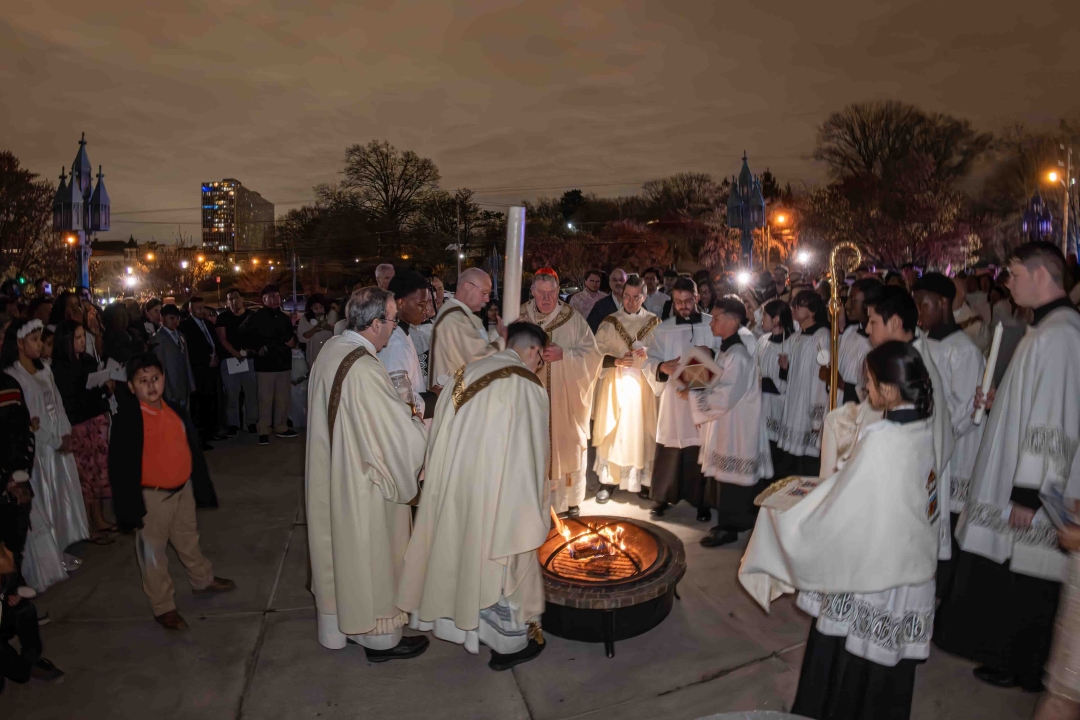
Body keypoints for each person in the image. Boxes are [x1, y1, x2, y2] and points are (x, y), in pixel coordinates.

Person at [741, 341, 938, 720]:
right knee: (883, 665)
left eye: (868, 383)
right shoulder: (922, 429)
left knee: (847, 659)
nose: (864, 390)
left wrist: (791, 516)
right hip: (909, 565)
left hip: (873, 569)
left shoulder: (883, 438)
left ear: (889, 389)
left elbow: (841, 506)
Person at [935, 241, 1080, 693]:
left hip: (1032, 485)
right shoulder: (1046, 329)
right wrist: (1002, 402)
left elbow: (1054, 422)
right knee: (1013, 574)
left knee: (1028, 579)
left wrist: (1029, 493)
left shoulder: (1060, 335)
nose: (1008, 284)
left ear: (1041, 274)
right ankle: (1011, 658)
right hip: (1020, 474)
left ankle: (1026, 668)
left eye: (1014, 275)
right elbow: (1034, 403)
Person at [399, 322, 550, 670]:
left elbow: (438, 433)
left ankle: (466, 629)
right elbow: (532, 456)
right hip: (498, 497)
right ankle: (507, 646)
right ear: (534, 351)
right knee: (498, 566)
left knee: (460, 555)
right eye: (540, 358)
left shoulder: (465, 372)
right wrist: (535, 507)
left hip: (454, 487)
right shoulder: (527, 385)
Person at [305, 287, 429, 660]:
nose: (394, 327)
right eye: (392, 320)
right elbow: (394, 439)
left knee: (337, 551)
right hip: (363, 486)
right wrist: (417, 423)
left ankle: (339, 623)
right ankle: (377, 637)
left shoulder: (333, 349)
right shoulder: (362, 367)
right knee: (367, 554)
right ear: (375, 323)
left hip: (333, 474)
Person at [108, 352, 232, 630]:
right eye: (143, 381)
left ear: (164, 379)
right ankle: (163, 606)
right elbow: (119, 468)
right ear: (130, 386)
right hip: (151, 498)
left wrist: (196, 483)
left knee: (188, 538)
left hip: (182, 490)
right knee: (153, 553)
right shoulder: (128, 420)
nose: (151, 386)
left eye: (155, 378)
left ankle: (202, 578)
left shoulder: (175, 410)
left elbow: (191, 449)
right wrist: (128, 508)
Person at [911, 272, 986, 599]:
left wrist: (926, 423)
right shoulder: (922, 342)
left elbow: (968, 410)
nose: (918, 312)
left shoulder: (964, 350)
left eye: (922, 305)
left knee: (948, 523)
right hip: (926, 448)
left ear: (942, 303)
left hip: (952, 454)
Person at [2, 318, 89, 589]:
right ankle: (45, 557)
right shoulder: (14, 376)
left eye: (41, 339)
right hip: (40, 449)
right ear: (18, 342)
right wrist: (51, 439)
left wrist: (65, 433)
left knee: (61, 498)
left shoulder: (44, 369)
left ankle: (61, 548)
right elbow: (27, 419)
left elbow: (57, 403)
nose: (40, 346)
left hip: (58, 442)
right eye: (34, 340)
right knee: (45, 498)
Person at [516, 272, 601, 518]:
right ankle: (532, 501)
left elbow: (592, 355)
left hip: (564, 401)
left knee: (564, 443)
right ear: (532, 292)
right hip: (529, 400)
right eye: (541, 293)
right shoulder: (520, 317)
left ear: (558, 291)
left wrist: (566, 356)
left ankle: (568, 501)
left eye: (551, 293)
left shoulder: (572, 319)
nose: (546, 298)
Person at [692, 296, 773, 547]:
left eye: (716, 319)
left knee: (734, 478)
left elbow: (725, 396)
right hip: (728, 424)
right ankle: (727, 523)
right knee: (727, 477)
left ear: (733, 320)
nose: (711, 323)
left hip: (737, 427)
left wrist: (695, 395)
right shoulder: (729, 349)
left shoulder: (738, 355)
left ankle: (731, 526)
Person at [647, 277, 716, 521]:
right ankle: (663, 496)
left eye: (688, 301)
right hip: (673, 397)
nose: (683, 306)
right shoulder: (664, 328)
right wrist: (661, 365)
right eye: (678, 302)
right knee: (671, 442)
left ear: (697, 298)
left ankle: (703, 502)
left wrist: (711, 355)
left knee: (702, 444)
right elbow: (649, 357)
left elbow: (725, 354)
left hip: (703, 395)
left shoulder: (711, 324)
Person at [592, 275, 661, 503]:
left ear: (644, 296)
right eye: (627, 297)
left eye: (636, 297)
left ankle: (641, 479)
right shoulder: (609, 322)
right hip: (616, 386)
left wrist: (648, 353)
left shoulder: (655, 323)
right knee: (615, 431)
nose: (630, 302)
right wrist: (616, 361)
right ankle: (608, 480)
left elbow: (664, 354)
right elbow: (595, 354)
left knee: (641, 431)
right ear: (622, 296)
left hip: (644, 387)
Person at [51, 320, 115, 541]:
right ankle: (87, 524)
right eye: (77, 338)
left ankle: (99, 517)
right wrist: (96, 390)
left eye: (82, 337)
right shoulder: (60, 367)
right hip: (79, 424)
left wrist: (106, 387)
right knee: (85, 475)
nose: (81, 342)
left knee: (99, 471)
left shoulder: (87, 359)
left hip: (96, 419)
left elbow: (96, 385)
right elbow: (71, 397)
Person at [776, 290, 830, 477]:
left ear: (813, 311)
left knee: (809, 461)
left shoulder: (821, 337)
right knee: (793, 461)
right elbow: (792, 375)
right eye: (794, 304)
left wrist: (817, 415)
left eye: (800, 305)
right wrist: (785, 368)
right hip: (794, 404)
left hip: (809, 404)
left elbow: (820, 378)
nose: (795, 308)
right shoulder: (796, 337)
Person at [1, 542, 64, 692]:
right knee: (20, 675)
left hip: (4, 614)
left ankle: (32, 659)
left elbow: (16, 583)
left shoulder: (9, 554)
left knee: (26, 610)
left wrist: (17, 595)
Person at [240, 285, 298, 446]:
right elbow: (242, 334)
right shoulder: (256, 317)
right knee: (265, 398)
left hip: (283, 362)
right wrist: (257, 347)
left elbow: (292, 338)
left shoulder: (284, 317)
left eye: (277, 296)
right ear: (263, 299)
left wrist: (292, 341)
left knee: (283, 398)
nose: (274, 299)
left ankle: (281, 426)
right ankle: (264, 429)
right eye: (270, 296)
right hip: (265, 364)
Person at [428, 268, 506, 387]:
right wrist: (504, 339)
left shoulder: (458, 314)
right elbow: (479, 357)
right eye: (484, 293)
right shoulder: (455, 318)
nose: (487, 299)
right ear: (468, 286)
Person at [379, 272, 437, 419]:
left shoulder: (402, 333)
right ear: (400, 303)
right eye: (421, 304)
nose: (425, 310)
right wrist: (434, 398)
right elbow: (396, 401)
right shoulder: (394, 343)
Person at [179, 296, 225, 449]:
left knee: (212, 401)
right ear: (191, 309)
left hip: (212, 369)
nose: (201, 311)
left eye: (203, 307)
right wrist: (206, 360)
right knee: (199, 405)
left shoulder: (207, 324)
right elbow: (190, 351)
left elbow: (215, 342)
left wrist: (217, 356)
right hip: (198, 370)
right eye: (198, 308)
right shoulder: (185, 326)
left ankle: (211, 431)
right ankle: (200, 438)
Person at [215, 289, 258, 436]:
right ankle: (233, 423)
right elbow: (222, 338)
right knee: (232, 394)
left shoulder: (252, 316)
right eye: (230, 299)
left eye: (235, 298)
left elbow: (257, 336)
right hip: (230, 361)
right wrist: (235, 353)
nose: (233, 301)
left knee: (251, 393)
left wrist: (248, 351)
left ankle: (251, 421)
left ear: (242, 299)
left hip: (249, 360)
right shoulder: (223, 318)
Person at [837, 278, 882, 404]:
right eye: (848, 299)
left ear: (869, 305)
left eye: (853, 300)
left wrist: (842, 384)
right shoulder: (850, 331)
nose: (847, 306)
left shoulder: (876, 343)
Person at [149, 304, 195, 410]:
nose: (175, 321)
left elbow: (186, 361)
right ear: (162, 318)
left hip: (183, 384)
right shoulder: (158, 339)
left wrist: (191, 383)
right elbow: (161, 367)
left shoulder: (181, 335)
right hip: (170, 387)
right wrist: (164, 390)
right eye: (172, 318)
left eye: (177, 318)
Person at [297, 294, 337, 369]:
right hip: (314, 355)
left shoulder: (331, 314)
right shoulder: (305, 318)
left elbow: (337, 331)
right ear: (310, 308)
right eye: (315, 308)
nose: (318, 310)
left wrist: (325, 326)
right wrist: (314, 329)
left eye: (321, 307)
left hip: (330, 354)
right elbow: (302, 337)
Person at [586, 268, 628, 333]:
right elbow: (591, 331)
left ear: (627, 282)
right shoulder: (600, 306)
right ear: (610, 283)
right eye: (614, 280)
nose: (618, 283)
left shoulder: (635, 303)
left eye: (621, 280)